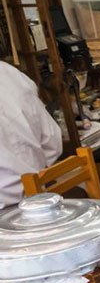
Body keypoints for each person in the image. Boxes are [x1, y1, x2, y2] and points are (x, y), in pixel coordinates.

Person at [0, 61, 62, 209]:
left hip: (6, 214)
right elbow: (53, 143)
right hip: (41, 197)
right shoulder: (9, 73)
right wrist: (33, 175)